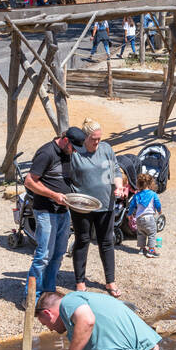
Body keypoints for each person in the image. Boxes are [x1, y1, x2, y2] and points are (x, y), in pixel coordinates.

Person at [69, 119, 126, 296]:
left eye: (99, 138)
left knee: (107, 241)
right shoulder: (75, 153)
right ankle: (80, 282)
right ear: (85, 137)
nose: (97, 142)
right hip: (82, 206)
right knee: (82, 240)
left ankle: (110, 281)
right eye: (94, 139)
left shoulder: (106, 149)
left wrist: (118, 186)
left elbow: (115, 170)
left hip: (106, 203)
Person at [23, 128, 80, 305]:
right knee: (43, 255)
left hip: (63, 210)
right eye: (74, 147)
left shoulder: (67, 153)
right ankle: (30, 298)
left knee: (58, 254)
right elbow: (29, 181)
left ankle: (48, 292)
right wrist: (53, 195)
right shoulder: (46, 152)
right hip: (46, 210)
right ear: (65, 140)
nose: (76, 151)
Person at [129, 172, 163, 258]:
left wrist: (130, 214)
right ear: (150, 184)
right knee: (152, 233)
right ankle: (151, 251)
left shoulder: (136, 195)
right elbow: (157, 204)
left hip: (139, 218)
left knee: (141, 233)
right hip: (149, 218)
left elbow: (132, 205)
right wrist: (159, 211)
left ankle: (142, 249)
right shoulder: (153, 194)